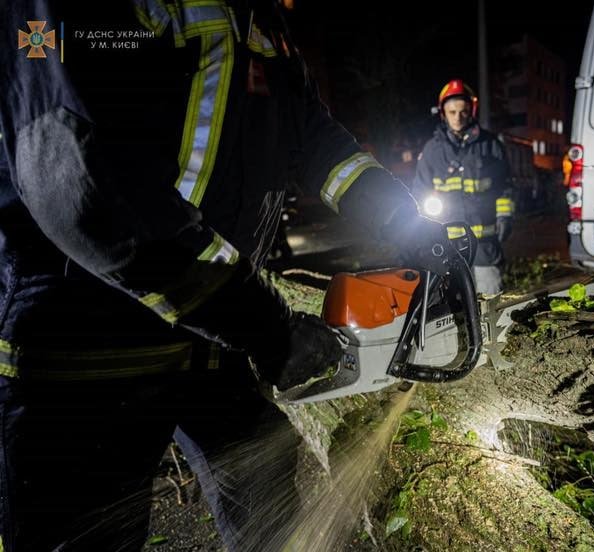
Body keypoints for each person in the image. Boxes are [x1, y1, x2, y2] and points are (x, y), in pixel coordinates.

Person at [0, 1, 454, 550]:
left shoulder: (260, 18)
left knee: (269, 508)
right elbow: (82, 180)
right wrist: (268, 327)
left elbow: (315, 139)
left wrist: (401, 221)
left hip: (217, 339)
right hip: (89, 346)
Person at [411, 79, 515, 295]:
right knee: (451, 307)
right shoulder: (431, 151)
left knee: (491, 300)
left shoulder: (490, 145)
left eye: (463, 111)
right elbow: (419, 193)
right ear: (443, 113)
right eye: (452, 112)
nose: (457, 117)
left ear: (472, 111)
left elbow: (505, 186)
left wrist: (505, 216)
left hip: (484, 244)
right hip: (446, 246)